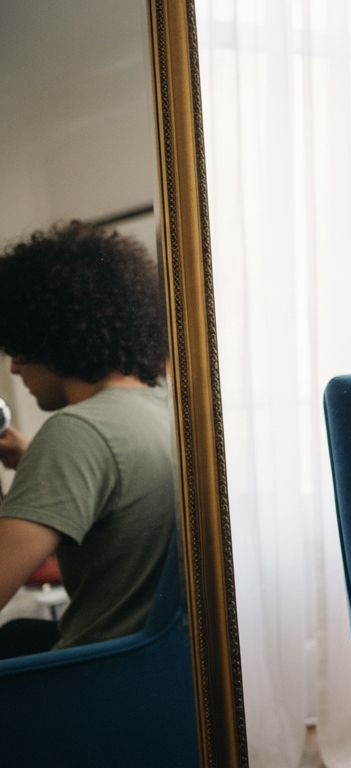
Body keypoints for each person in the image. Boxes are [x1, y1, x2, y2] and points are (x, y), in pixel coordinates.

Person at [0, 221, 177, 659]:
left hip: (93, 678)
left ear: (49, 338)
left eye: (16, 350)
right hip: (157, 666)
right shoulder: (166, 409)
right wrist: (31, 460)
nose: (14, 370)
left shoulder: (76, 432)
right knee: (20, 633)